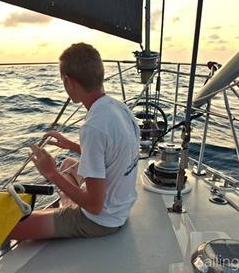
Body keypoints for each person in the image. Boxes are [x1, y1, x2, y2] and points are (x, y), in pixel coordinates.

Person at [8, 43, 140, 240]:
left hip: (101, 220)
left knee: (11, 228)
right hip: (120, 205)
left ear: (68, 81)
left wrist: (50, 173)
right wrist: (70, 145)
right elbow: (111, 152)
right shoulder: (119, 108)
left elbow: (95, 207)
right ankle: (70, 202)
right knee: (68, 163)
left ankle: (70, 207)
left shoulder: (93, 126)